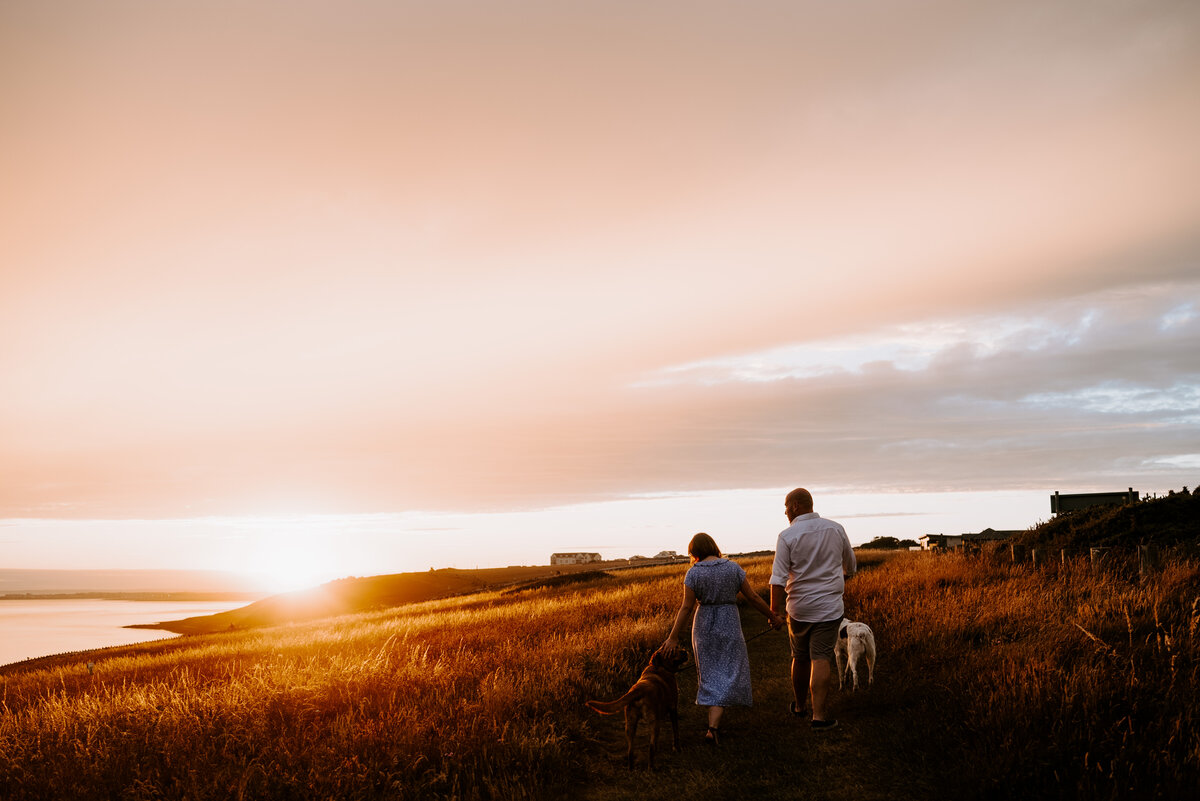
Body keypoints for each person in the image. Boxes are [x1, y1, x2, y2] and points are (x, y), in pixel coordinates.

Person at [662, 532, 785, 745]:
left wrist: (673, 637)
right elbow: (753, 598)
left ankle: (713, 727)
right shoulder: (733, 568)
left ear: (694, 552)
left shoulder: (693, 573)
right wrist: (772, 617)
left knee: (709, 672)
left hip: (703, 624)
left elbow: (686, 607)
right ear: (713, 546)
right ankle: (713, 727)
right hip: (729, 621)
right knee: (729, 669)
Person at [769, 487, 856, 732]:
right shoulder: (836, 529)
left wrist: (774, 613)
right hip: (829, 608)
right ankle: (819, 716)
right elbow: (850, 563)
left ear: (796, 505)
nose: (785, 512)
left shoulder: (787, 535)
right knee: (820, 658)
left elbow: (777, 578)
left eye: (786, 507)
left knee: (799, 656)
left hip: (799, 609)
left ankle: (799, 706)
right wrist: (843, 577)